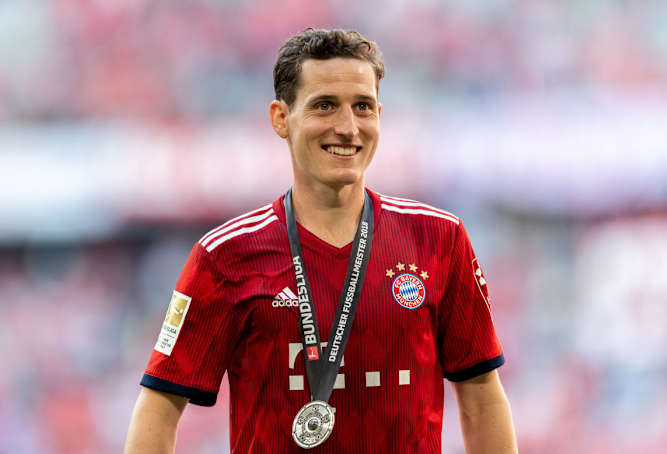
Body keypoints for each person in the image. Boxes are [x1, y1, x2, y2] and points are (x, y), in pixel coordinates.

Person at [124, 28, 517, 453]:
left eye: (362, 107)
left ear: (379, 115)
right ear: (281, 118)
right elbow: (160, 405)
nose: (347, 127)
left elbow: (481, 397)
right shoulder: (225, 255)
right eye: (325, 106)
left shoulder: (439, 238)